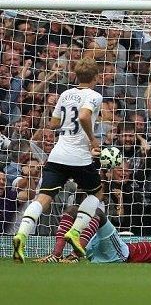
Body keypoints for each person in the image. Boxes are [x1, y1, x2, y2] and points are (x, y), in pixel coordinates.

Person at [13, 58, 104, 263]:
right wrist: (92, 140)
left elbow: (54, 123)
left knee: (43, 197)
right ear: (95, 77)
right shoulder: (94, 95)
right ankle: (75, 232)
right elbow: (83, 116)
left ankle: (22, 234)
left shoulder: (65, 94)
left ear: (76, 75)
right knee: (97, 192)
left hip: (58, 154)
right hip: (79, 156)